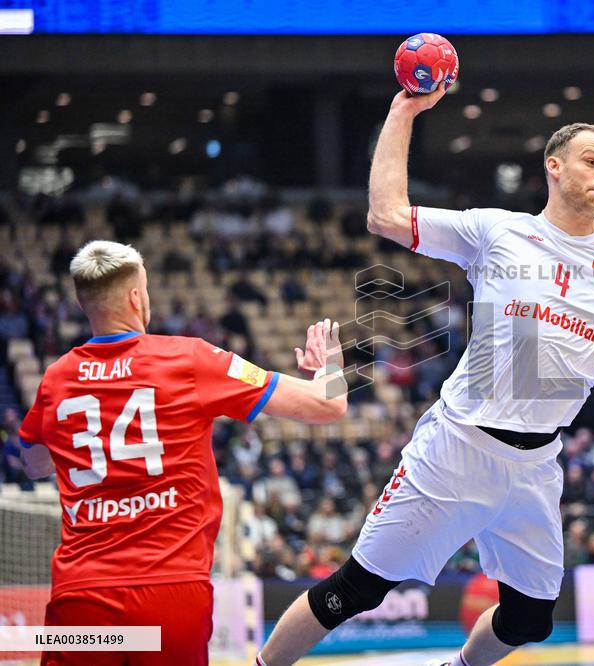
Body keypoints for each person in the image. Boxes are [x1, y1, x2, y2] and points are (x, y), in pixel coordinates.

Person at [259, 85, 594, 666]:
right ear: (553, 167)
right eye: (591, 161)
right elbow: (385, 215)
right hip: (456, 447)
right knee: (354, 590)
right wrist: (404, 110)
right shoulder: (496, 231)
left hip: (535, 466)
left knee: (530, 619)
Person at [17, 240, 348, 666]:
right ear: (137, 296)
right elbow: (330, 404)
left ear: (85, 304)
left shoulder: (56, 379)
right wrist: (331, 368)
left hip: (81, 594)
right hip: (170, 591)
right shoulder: (189, 358)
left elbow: (34, 463)